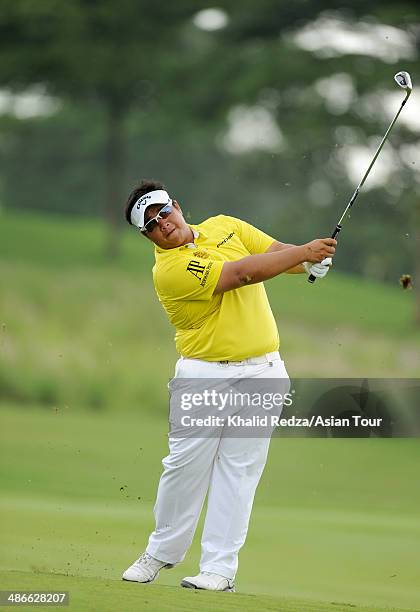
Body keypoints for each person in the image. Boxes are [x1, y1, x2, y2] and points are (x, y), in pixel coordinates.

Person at [122, 179, 336, 592]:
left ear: (177, 206)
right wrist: (305, 254)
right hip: (205, 374)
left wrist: (308, 262)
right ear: (146, 236)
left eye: (162, 212)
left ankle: (219, 569)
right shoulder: (169, 271)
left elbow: (273, 254)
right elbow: (241, 274)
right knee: (184, 468)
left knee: (239, 473)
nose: (162, 223)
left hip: (264, 372)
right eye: (150, 224)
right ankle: (161, 552)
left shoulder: (226, 225)